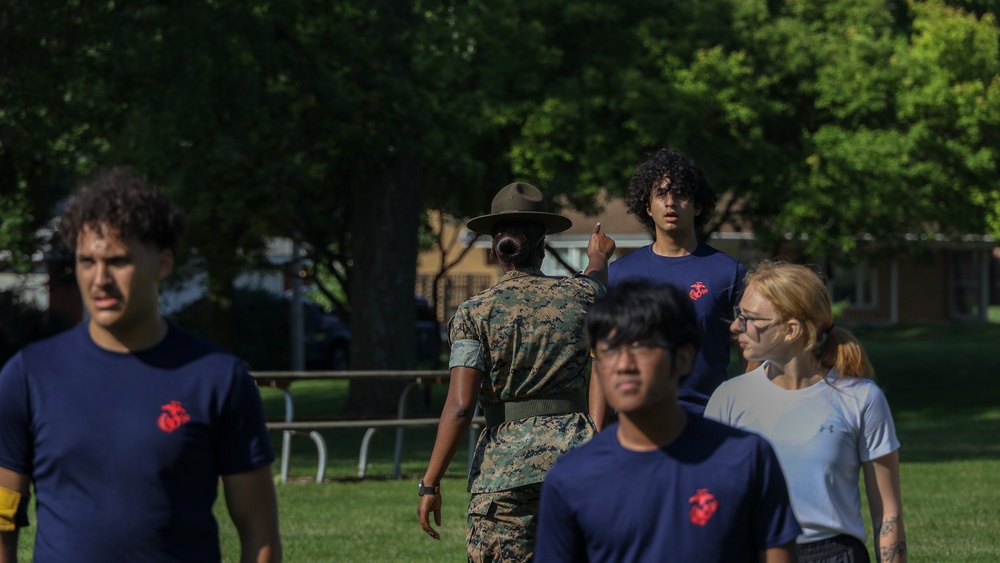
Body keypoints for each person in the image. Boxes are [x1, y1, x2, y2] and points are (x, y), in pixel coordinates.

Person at [0, 167, 282, 562]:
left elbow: (259, 533)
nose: (100, 279)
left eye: (118, 261)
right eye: (86, 261)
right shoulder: (28, 376)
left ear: (162, 263)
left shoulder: (218, 378)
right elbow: (1, 523)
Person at [416, 182, 616, 561]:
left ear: (495, 249)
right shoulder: (582, 296)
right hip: (578, 462)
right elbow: (595, 280)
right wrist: (598, 256)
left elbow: (459, 407)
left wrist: (430, 484)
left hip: (503, 474)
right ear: (543, 247)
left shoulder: (473, 314)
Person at [536, 280, 801, 562]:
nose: (624, 365)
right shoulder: (571, 478)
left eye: (642, 347)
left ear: (684, 357)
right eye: (609, 349)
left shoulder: (745, 457)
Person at [705, 261, 906, 563]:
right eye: (738, 315)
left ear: (791, 330)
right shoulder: (729, 398)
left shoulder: (861, 398)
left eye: (749, 318)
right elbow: (707, 500)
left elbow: (887, 513)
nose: (736, 326)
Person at [590, 148, 749, 424]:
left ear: (698, 205)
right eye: (661, 194)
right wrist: (594, 435)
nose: (671, 203)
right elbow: (601, 361)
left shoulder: (728, 272)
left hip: (707, 425)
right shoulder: (619, 275)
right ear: (648, 207)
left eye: (681, 194)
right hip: (634, 429)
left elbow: (751, 353)